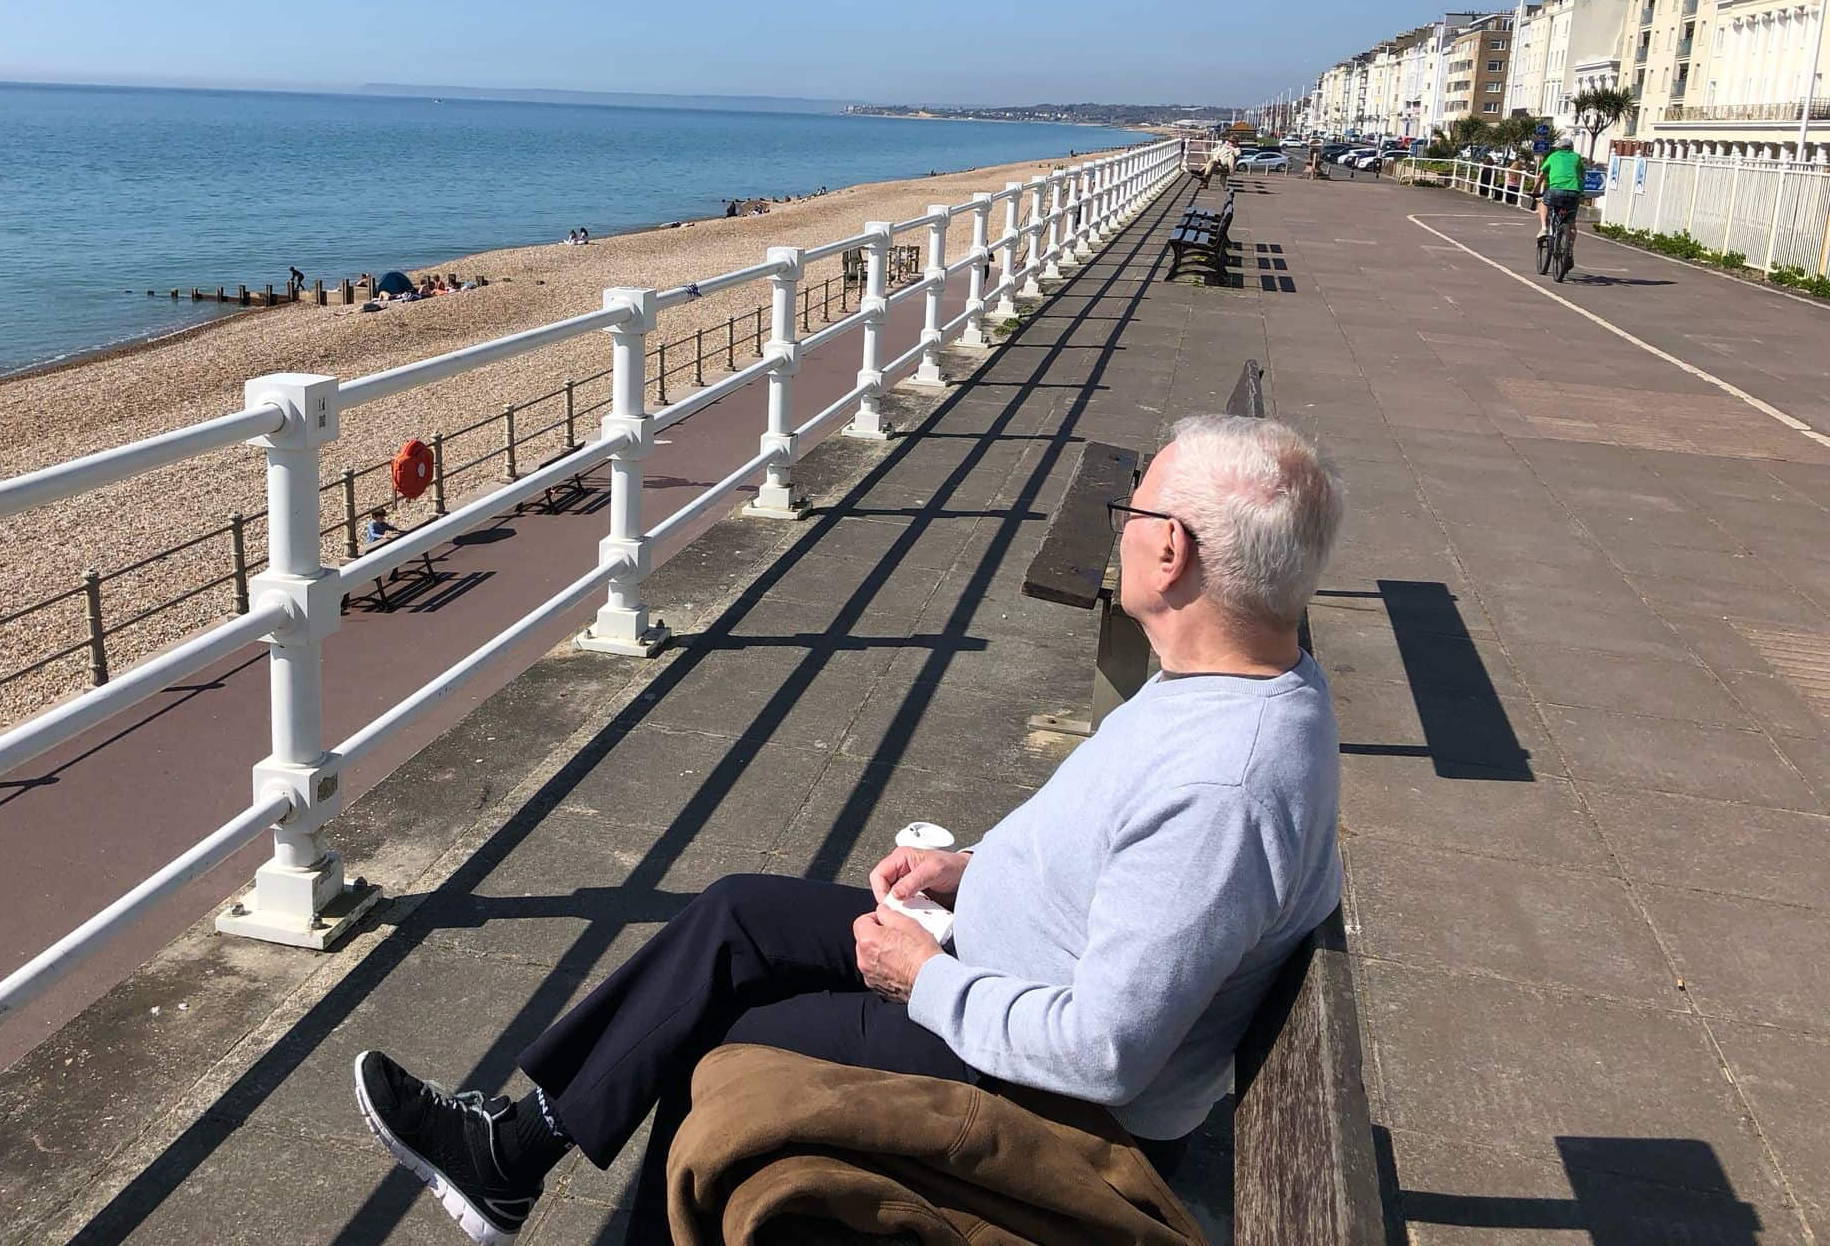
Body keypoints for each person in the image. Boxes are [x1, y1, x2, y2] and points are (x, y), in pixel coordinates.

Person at [352, 416, 1348, 1244]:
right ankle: (512, 1156)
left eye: (1130, 511)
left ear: (1168, 550)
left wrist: (924, 979)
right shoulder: (1226, 683)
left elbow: (1106, 1054)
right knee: (737, 915)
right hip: (992, 970)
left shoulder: (1226, 781)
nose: (1120, 528)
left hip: (1045, 1093)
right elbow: (1111, 856)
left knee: (723, 1052)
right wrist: (964, 869)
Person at [1537, 133, 1585, 243]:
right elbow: (1582, 175)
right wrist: (1581, 191)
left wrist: (1535, 189)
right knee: (1572, 224)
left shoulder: (1553, 156)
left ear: (1558, 148)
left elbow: (1541, 175)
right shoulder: (1577, 157)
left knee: (1542, 202)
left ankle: (1544, 228)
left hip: (1556, 190)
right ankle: (1569, 252)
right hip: (1574, 191)